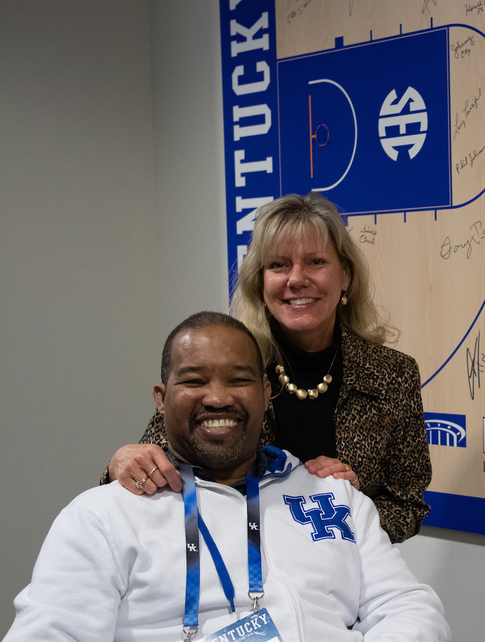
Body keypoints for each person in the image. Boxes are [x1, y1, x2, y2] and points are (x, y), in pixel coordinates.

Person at [0, 312, 485, 642]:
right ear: (161, 399)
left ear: (264, 392)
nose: (218, 397)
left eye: (239, 380)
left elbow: (409, 608)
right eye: (194, 380)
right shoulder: (105, 514)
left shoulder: (331, 496)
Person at [104, 193, 430, 543]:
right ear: (260, 283)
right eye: (278, 265)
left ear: (346, 275)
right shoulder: (224, 364)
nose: (296, 279)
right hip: (226, 568)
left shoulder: (394, 375)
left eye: (316, 262)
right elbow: (147, 470)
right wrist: (120, 466)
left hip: (340, 581)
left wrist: (352, 506)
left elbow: (407, 505)